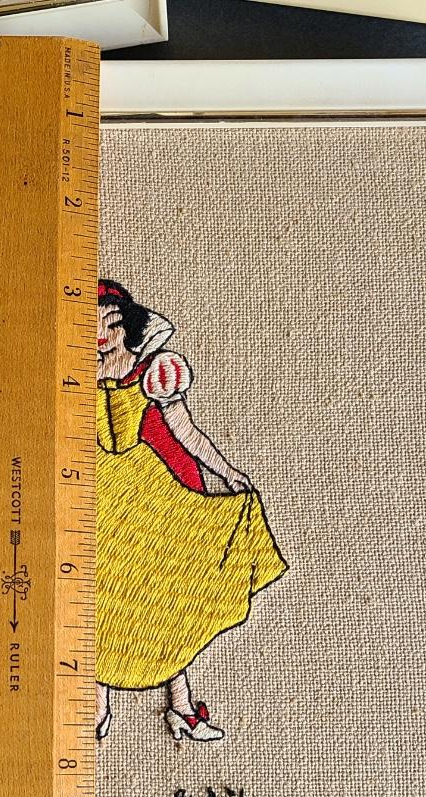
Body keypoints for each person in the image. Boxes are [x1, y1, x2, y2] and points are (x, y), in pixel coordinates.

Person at [95, 279, 287, 742]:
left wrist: (227, 471)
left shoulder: (154, 374)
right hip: (102, 503)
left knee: (171, 594)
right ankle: (97, 703)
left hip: (157, 498)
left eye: (111, 323)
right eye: (91, 325)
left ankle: (180, 705)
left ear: (129, 328)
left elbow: (186, 432)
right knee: (105, 595)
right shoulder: (72, 380)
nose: (101, 334)